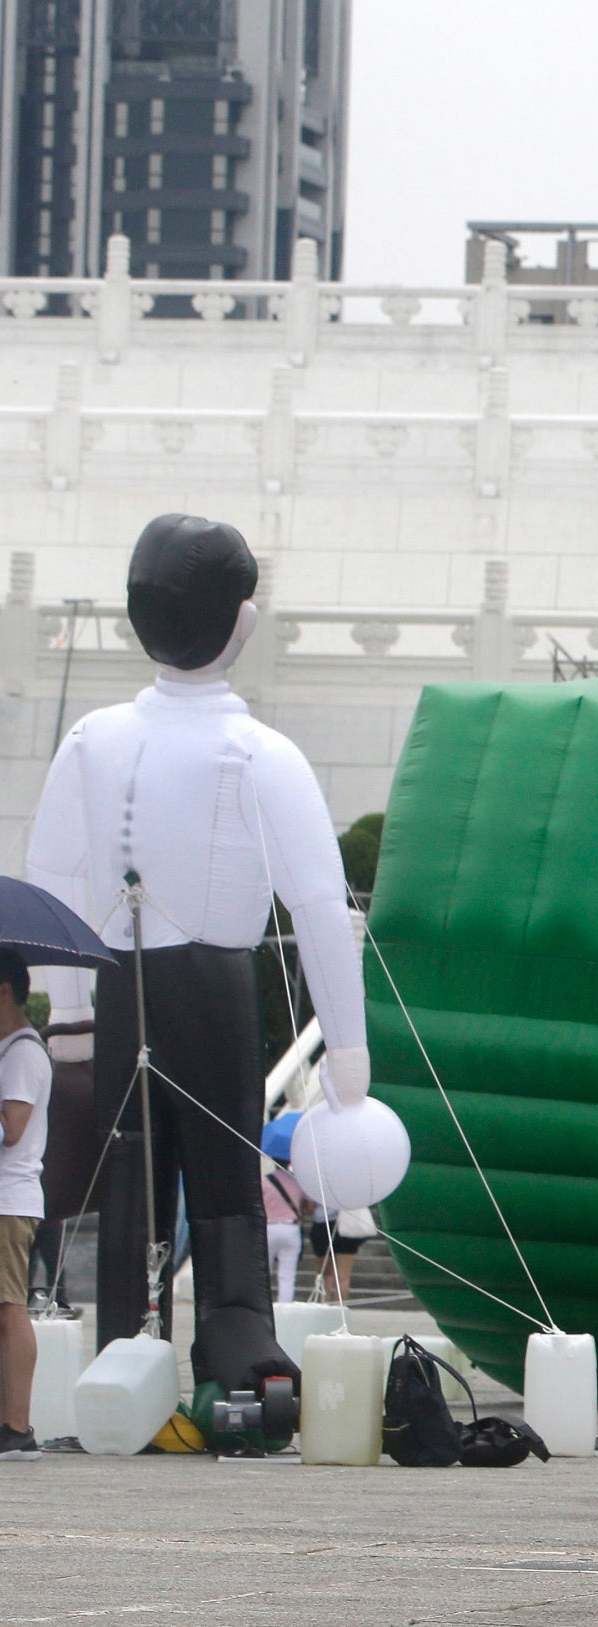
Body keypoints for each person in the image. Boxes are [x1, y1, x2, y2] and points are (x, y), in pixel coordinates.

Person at [24, 514, 373, 1399]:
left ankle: (122, 1345)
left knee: (133, 1170)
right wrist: (349, 1047)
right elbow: (322, 910)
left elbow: (51, 875)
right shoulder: (261, 753)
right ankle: (233, 1341)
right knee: (222, 1175)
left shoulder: (90, 741)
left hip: (117, 983)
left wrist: (67, 1009)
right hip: (214, 980)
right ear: (242, 622)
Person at [0, 949, 53, 1461]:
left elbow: (11, 1129)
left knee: (10, 1308)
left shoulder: (21, 1053)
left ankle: (16, 1426)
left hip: (8, 1200)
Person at [261, 1158, 309, 1303]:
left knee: (263, 1272)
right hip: (291, 1228)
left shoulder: (264, 1181)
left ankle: (263, 1304)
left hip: (268, 1228)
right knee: (287, 1275)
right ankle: (285, 1307)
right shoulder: (298, 1182)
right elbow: (310, 1206)